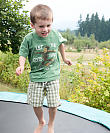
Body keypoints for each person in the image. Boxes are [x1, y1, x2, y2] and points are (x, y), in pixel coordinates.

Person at [16, 4, 72, 133]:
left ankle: (51, 125)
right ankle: (41, 121)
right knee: (36, 104)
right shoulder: (28, 39)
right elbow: (23, 53)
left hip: (52, 75)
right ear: (33, 25)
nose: (45, 29)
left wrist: (64, 58)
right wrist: (21, 65)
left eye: (48, 25)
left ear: (51, 23)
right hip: (36, 77)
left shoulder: (55, 34)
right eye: (41, 26)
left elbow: (61, 44)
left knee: (53, 104)